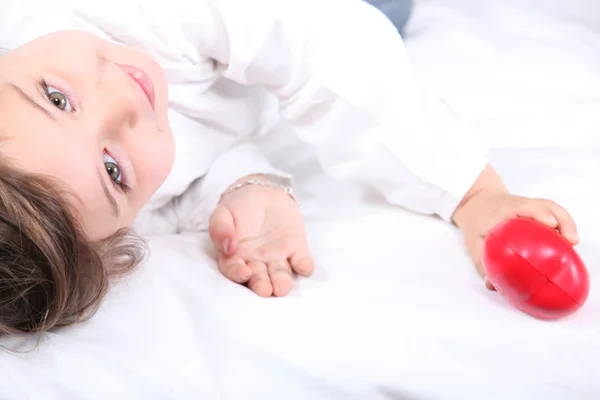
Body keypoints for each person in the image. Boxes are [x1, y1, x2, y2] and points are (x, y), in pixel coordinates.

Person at [0, 0, 578, 334]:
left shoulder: (137, 14)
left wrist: (470, 193)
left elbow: (323, 45)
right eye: (113, 169)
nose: (122, 103)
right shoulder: (79, 205)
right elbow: (180, 185)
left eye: (56, 98)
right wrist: (251, 190)